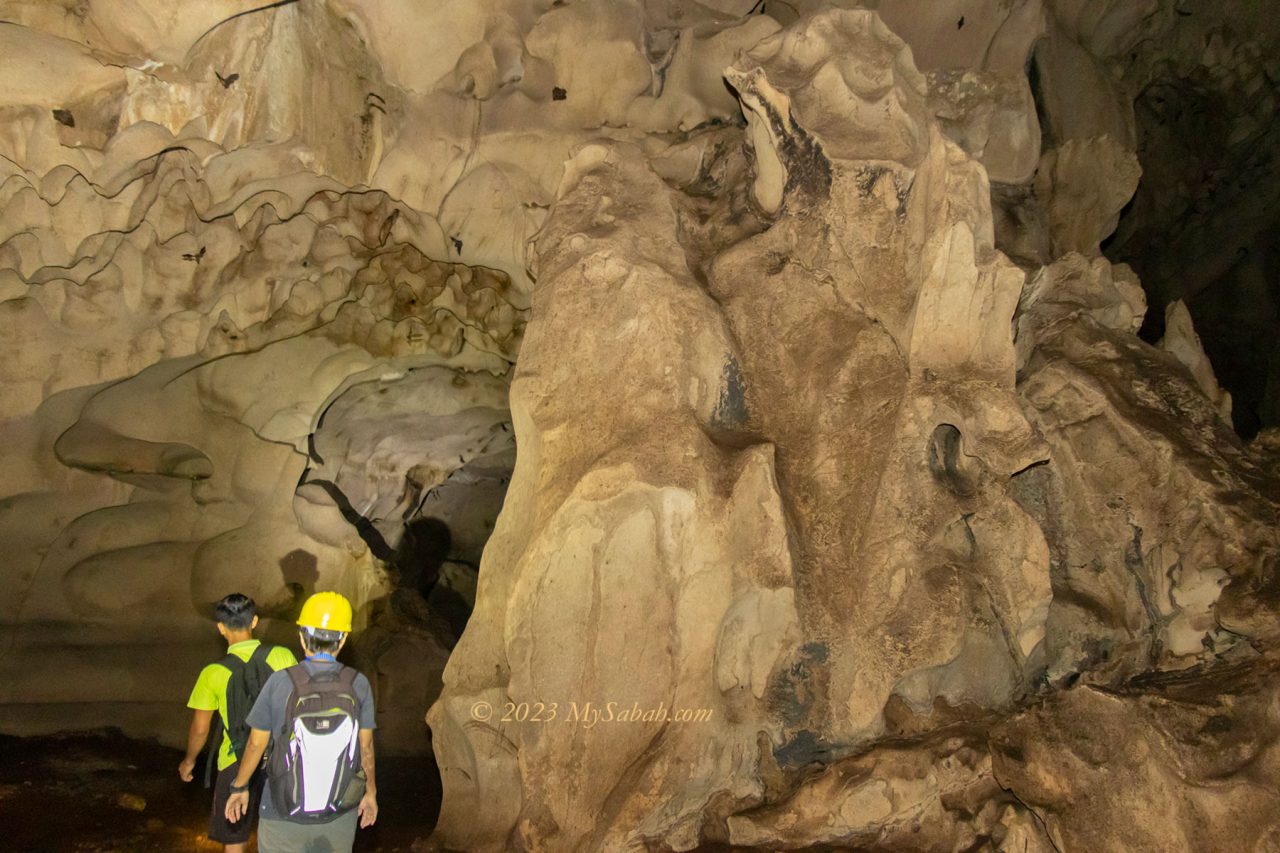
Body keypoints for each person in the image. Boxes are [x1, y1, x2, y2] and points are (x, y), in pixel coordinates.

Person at [225, 591, 379, 852]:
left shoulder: (280, 682)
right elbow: (365, 749)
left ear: (301, 635)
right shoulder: (358, 684)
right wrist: (371, 793)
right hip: (339, 812)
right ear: (342, 639)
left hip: (282, 810)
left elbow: (256, 743)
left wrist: (240, 786)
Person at [180, 593, 298, 853]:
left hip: (234, 763)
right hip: (279, 761)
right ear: (254, 621)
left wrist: (189, 761)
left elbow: (201, 729)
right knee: (282, 837)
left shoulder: (212, 673)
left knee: (234, 839)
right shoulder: (282, 656)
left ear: (220, 628)